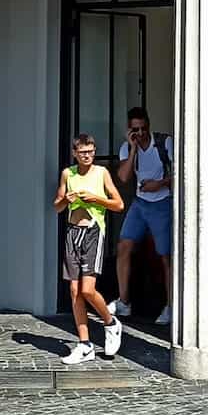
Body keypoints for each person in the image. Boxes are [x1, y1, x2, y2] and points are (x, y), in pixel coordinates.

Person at [52, 135, 126, 364]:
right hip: (73, 232)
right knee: (74, 291)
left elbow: (119, 204)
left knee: (87, 289)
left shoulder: (101, 173)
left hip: (94, 232)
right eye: (84, 152)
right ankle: (85, 344)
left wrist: (95, 198)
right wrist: (66, 199)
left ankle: (110, 322)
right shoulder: (68, 174)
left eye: (91, 152)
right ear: (75, 153)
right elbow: (56, 206)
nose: (88, 156)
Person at [111, 106, 173, 326]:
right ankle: (124, 301)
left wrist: (160, 184)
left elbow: (181, 174)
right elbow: (124, 177)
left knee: (166, 256)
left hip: (162, 203)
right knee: (124, 246)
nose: (141, 133)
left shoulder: (165, 143)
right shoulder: (127, 148)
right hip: (140, 203)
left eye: (143, 128)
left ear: (149, 125)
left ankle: (171, 305)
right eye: (135, 129)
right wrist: (133, 149)